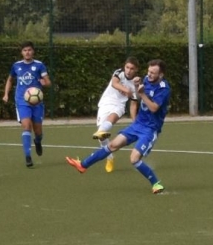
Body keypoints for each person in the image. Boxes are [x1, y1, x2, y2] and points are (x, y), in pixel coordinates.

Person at [66, 59, 170, 194]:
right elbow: (137, 99)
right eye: (148, 71)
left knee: (134, 159)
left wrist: (142, 93)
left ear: (161, 75)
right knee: (112, 145)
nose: (149, 74)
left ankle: (156, 183)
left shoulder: (164, 89)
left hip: (150, 129)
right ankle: (83, 165)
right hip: (138, 124)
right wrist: (137, 87)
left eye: (153, 73)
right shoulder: (146, 79)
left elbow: (154, 108)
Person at [2, 41, 51, 168]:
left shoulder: (39, 65)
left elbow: (48, 82)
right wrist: (6, 94)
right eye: (25, 50)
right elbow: (10, 80)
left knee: (38, 131)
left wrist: (44, 83)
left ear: (33, 51)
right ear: (21, 52)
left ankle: (38, 141)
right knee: (26, 126)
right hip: (22, 101)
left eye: (29, 50)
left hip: (37, 102)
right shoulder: (16, 66)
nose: (27, 52)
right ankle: (28, 156)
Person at [92, 57, 141, 172]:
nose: (128, 70)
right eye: (127, 67)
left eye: (132, 68)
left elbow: (133, 105)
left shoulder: (136, 84)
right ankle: (110, 157)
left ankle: (103, 132)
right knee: (101, 135)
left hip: (119, 105)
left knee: (109, 121)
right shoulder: (119, 73)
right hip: (105, 103)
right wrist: (126, 90)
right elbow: (114, 83)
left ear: (136, 70)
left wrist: (135, 122)